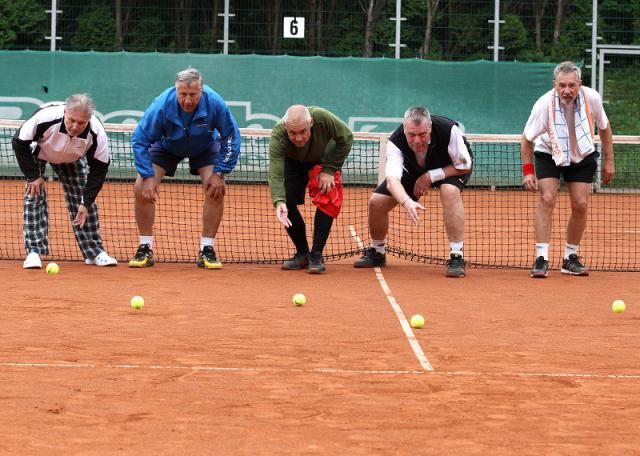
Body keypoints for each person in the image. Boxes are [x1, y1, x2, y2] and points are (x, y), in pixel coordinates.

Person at [129, 67, 241, 269]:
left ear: (201, 90)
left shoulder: (214, 102)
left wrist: (220, 172)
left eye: (193, 95)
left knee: (215, 189)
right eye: (183, 94)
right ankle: (144, 247)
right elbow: (139, 139)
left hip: (205, 146)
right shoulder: (161, 106)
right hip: (166, 145)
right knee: (140, 188)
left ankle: (207, 249)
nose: (188, 101)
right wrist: (147, 177)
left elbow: (231, 135)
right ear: (176, 90)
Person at [353, 106, 473, 277]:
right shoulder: (396, 141)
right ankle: (378, 252)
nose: (416, 140)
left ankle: (457, 256)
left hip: (451, 168)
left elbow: (464, 165)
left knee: (449, 191)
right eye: (411, 135)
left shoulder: (448, 130)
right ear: (404, 129)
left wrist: (431, 176)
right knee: (376, 202)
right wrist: (406, 201)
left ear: (430, 128)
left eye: (422, 134)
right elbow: (392, 180)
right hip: (413, 171)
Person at [521, 61, 615, 278]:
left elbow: (604, 127)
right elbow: (526, 139)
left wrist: (609, 160)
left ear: (579, 84)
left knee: (580, 204)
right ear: (555, 84)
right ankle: (541, 258)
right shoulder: (543, 105)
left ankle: (570, 258)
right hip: (548, 152)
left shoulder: (592, 99)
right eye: (562, 85)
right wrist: (528, 171)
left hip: (581, 154)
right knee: (547, 198)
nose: (567, 90)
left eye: (571, 85)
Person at [13, 94, 118, 269]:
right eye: (71, 120)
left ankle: (94, 252)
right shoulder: (45, 118)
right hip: (39, 151)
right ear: (65, 112)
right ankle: (34, 252)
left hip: (73, 159)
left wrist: (86, 202)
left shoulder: (96, 132)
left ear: (89, 119)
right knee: (33, 197)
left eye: (81, 123)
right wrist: (33, 176)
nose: (75, 126)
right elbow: (19, 142)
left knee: (84, 203)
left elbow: (99, 169)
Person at [268, 105, 353, 274]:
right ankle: (302, 254)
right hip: (293, 162)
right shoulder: (278, 136)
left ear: (311, 123)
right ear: (285, 126)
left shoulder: (322, 118)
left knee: (328, 195)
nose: (298, 138)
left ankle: (316, 255)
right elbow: (276, 173)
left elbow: (347, 137)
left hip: (323, 159)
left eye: (303, 131)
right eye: (293, 133)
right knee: (287, 200)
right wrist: (279, 201)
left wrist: (330, 169)